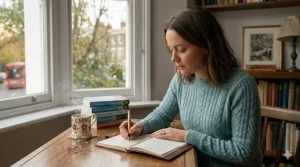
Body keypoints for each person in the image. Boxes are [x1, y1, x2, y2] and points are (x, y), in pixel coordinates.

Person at [119, 7, 262, 167]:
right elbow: (163, 114)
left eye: (181, 49)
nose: (173, 58)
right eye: (171, 50)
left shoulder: (241, 86)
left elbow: (242, 153)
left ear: (206, 46)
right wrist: (140, 126)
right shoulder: (182, 79)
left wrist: (188, 136)